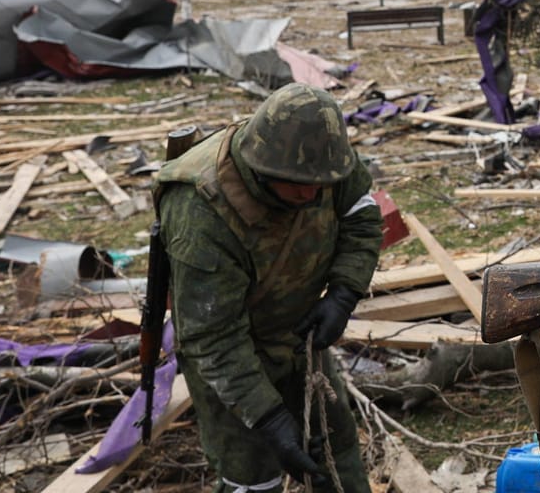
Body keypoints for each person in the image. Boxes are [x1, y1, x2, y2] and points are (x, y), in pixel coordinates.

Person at [156, 83, 382, 493]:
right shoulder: (201, 211)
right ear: (262, 167)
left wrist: (345, 292)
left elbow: (362, 214)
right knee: (253, 478)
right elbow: (213, 338)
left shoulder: (323, 160)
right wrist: (271, 419)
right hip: (228, 355)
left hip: (298, 336)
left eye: (320, 184)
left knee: (335, 451)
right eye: (298, 185)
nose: (312, 194)